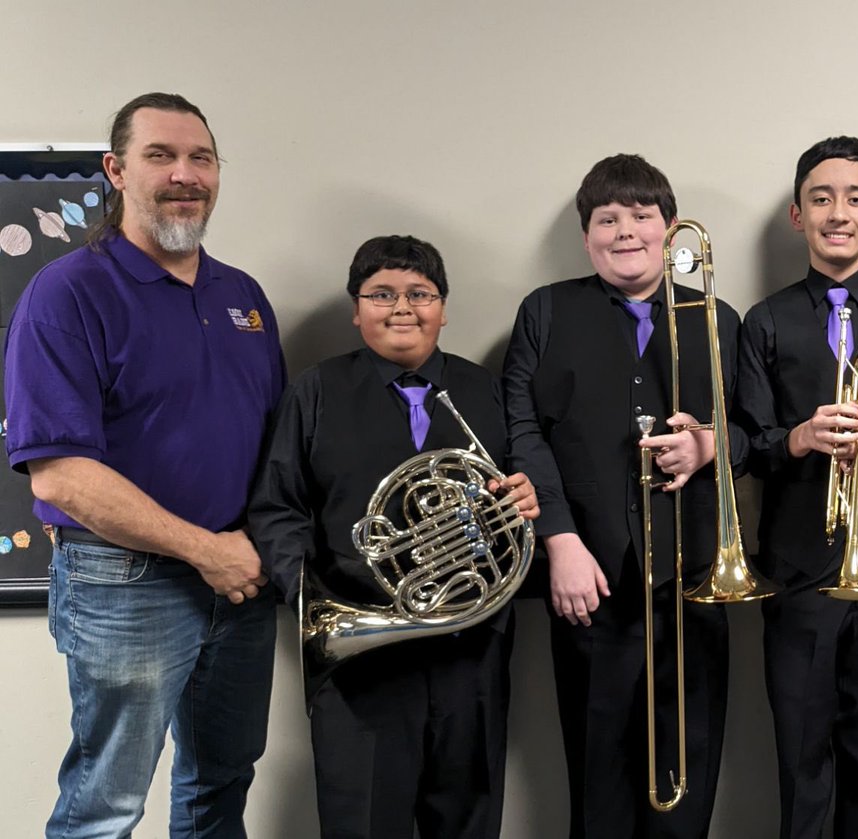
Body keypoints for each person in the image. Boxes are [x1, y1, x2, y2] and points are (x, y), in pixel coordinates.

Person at [3, 92, 286, 838]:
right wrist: (207, 551)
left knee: (219, 787)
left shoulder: (243, 297)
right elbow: (60, 474)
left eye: (200, 157)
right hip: (125, 584)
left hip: (242, 582)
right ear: (115, 171)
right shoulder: (66, 294)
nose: (183, 174)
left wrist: (252, 550)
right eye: (160, 155)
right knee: (106, 806)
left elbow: (273, 442)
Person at [248, 234, 539, 839]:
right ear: (356, 309)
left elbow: (517, 499)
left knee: (466, 822)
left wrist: (522, 503)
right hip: (362, 661)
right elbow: (277, 509)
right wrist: (315, 599)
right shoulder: (315, 390)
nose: (402, 307)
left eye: (420, 294)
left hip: (470, 652)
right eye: (382, 293)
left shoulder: (483, 390)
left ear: (443, 308)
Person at [503, 153, 746, 838]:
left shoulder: (717, 316)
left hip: (694, 574)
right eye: (607, 219)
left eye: (641, 216)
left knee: (688, 764)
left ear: (671, 230)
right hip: (588, 578)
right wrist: (560, 540)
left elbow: (755, 428)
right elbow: (522, 431)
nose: (625, 231)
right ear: (587, 236)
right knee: (597, 765)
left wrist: (707, 446)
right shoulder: (545, 311)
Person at [735, 136, 858, 839]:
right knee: (801, 754)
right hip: (795, 566)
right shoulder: (763, 321)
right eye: (822, 199)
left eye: (856, 199)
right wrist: (797, 437)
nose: (838, 213)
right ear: (798, 215)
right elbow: (750, 442)